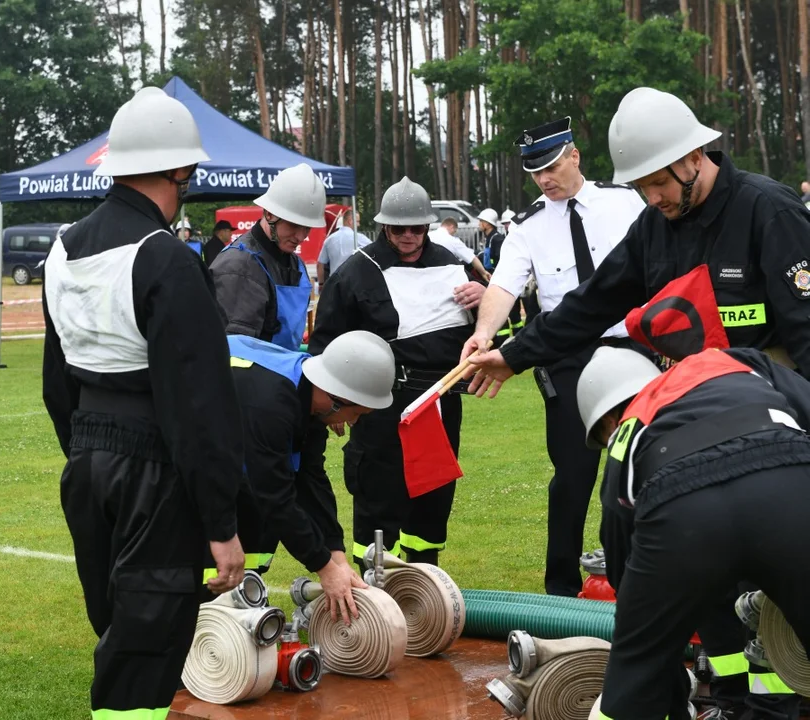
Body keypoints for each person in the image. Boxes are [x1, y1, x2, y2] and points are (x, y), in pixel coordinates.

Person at [467, 87, 810, 718]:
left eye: (657, 184)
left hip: (775, 427)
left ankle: (778, 697)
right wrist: (515, 355)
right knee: (709, 577)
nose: (650, 199)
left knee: (778, 596)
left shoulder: (769, 212)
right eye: (644, 187)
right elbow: (593, 303)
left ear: (693, 158)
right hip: (688, 431)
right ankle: (730, 693)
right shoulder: (657, 226)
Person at [41, 86, 246, 719]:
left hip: (86, 458)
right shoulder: (167, 259)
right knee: (146, 648)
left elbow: (57, 381)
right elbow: (198, 406)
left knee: (117, 627)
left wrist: (84, 452)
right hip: (152, 468)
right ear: (181, 171)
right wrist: (222, 525)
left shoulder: (63, 247)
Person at [462, 116, 646, 597]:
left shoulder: (624, 202)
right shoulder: (527, 226)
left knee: (634, 470)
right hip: (567, 359)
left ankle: (635, 582)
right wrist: (485, 333)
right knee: (572, 476)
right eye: (535, 172)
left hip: (634, 350)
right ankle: (561, 591)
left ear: (574, 155)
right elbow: (504, 285)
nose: (544, 179)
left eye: (551, 166)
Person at [576, 346, 810, 720]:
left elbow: (620, 541)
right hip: (790, 488)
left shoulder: (629, 429)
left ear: (608, 419)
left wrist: (640, 626)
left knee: (634, 676)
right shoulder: (741, 364)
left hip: (685, 519)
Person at [309, 176, 486, 568]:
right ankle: (372, 583)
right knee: (378, 491)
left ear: (427, 225)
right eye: (398, 228)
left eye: (416, 227)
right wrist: (330, 405)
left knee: (433, 494)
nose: (408, 236)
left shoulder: (452, 265)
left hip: (439, 400)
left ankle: (424, 577)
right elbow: (325, 345)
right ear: (383, 226)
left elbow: (488, 338)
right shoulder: (357, 272)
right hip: (378, 403)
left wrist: (484, 301)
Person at [219, 330, 396, 623]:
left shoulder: (309, 395)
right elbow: (274, 496)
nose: (353, 423)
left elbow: (310, 478)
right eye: (357, 414)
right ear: (336, 399)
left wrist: (335, 554)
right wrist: (323, 567)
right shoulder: (270, 405)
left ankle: (233, 603)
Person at [210, 163, 326, 349]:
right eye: (294, 224)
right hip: (256, 376)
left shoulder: (295, 264)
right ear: (270, 213)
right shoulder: (238, 267)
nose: (301, 237)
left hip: (283, 373)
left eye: (307, 228)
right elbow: (236, 355)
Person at [316, 208, 371, 289]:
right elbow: (375, 251)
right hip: (353, 282)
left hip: (334, 283)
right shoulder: (359, 238)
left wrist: (321, 284)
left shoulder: (329, 240)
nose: (358, 225)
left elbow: (320, 264)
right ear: (350, 221)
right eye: (357, 221)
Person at [429, 217, 490, 281]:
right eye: (454, 231)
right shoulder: (452, 240)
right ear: (452, 227)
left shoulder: (429, 235)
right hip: (445, 276)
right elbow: (472, 259)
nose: (454, 234)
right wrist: (484, 273)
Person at [477, 208, 504, 272]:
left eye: (481, 221)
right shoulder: (490, 237)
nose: (479, 224)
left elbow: (500, 261)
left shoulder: (497, 239)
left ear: (488, 224)